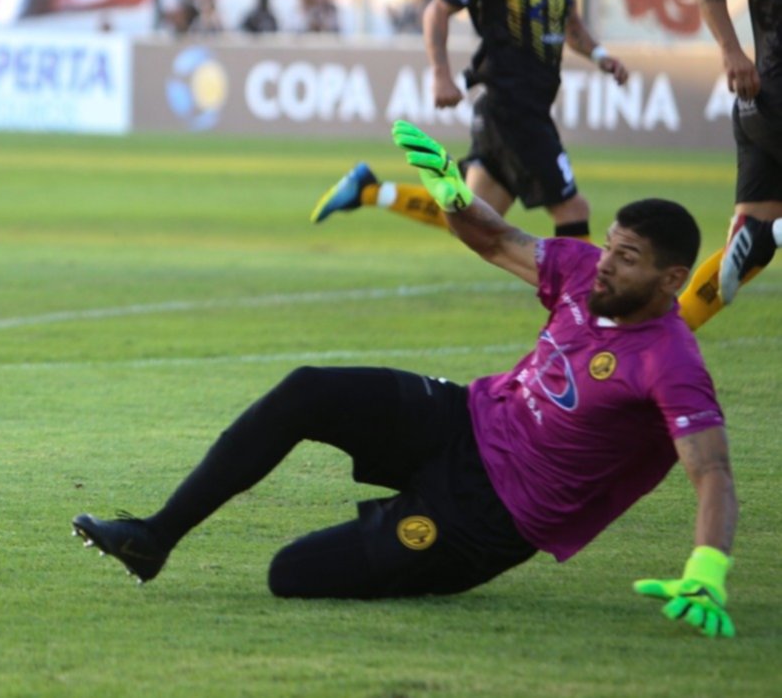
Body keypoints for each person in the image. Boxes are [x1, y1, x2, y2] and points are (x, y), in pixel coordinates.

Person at [74, 121, 739, 639]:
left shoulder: (670, 362)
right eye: (610, 247)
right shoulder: (578, 267)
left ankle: (407, 532)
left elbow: (711, 472)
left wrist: (707, 569)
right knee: (309, 389)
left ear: (673, 280)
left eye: (626, 259)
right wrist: (453, 193)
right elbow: (496, 239)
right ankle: (154, 537)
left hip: (491, 516)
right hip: (468, 419)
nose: (605, 266)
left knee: (292, 574)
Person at [311, 0, 629, 245]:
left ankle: (369, 190)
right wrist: (441, 74)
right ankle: (580, 304)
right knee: (574, 210)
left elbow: (570, 25)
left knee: (472, 217)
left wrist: (599, 55)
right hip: (513, 109)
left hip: (526, 107)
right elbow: (436, 11)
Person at [674, 0, 782, 331]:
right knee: (759, 239)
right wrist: (732, 50)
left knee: (746, 260)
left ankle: (662, 337)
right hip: (773, 99)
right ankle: (768, 233)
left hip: (758, 106)